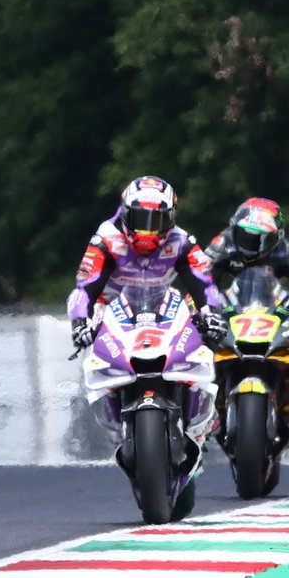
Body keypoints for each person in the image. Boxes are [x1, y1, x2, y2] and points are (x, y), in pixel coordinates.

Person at [67, 176, 226, 450]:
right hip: (111, 304)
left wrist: (211, 313)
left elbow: (204, 284)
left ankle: (202, 409)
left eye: (157, 221)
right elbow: (84, 288)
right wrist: (80, 322)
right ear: (126, 214)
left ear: (171, 218)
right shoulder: (105, 238)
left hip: (163, 301)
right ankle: (110, 412)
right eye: (141, 220)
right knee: (90, 343)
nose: (148, 231)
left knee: (207, 331)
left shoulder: (182, 240)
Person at [205, 197, 289, 436]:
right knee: (201, 330)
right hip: (234, 306)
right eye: (244, 235)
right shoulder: (221, 244)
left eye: (261, 239)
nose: (251, 245)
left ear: (277, 237)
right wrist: (196, 308)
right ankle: (201, 397)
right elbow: (201, 282)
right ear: (233, 229)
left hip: (271, 307)